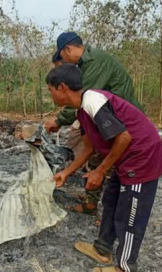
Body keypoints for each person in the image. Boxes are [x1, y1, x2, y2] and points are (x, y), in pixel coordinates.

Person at [45, 63, 162, 272]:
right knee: (111, 201)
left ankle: (125, 267)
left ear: (62, 87)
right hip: (124, 159)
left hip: (142, 158)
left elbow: (124, 137)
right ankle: (102, 249)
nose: (50, 95)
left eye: (50, 89)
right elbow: (89, 148)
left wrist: (99, 171)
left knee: (130, 214)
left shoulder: (93, 102)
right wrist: (66, 172)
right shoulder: (82, 111)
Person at [45, 31, 141, 214]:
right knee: (87, 145)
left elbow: (79, 97)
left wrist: (59, 120)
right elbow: (88, 145)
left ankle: (99, 199)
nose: (63, 62)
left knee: (110, 160)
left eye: (62, 57)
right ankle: (94, 196)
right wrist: (66, 173)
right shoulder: (86, 65)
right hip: (110, 118)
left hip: (121, 121)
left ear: (68, 49)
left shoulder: (94, 64)